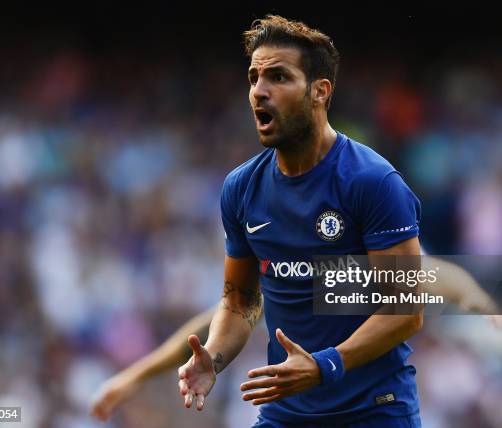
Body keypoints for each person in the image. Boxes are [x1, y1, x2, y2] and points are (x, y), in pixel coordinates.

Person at [178, 15, 423, 428]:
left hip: (373, 412)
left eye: (278, 76)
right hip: (285, 416)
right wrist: (213, 357)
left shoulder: (372, 181)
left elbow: (406, 310)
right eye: (254, 77)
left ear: (319, 91)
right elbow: (240, 302)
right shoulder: (242, 188)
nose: (259, 91)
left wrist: (324, 366)